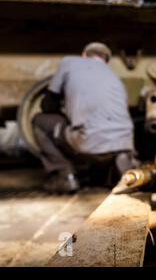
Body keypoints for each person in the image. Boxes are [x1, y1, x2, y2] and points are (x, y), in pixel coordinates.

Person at [32, 42, 136, 193]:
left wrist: (66, 110)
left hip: (88, 141)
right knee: (100, 126)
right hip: (125, 143)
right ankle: (119, 163)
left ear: (84, 54)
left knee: (39, 121)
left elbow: (47, 105)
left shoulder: (69, 62)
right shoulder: (113, 76)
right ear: (106, 60)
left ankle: (65, 176)